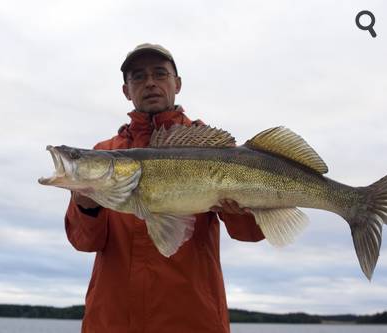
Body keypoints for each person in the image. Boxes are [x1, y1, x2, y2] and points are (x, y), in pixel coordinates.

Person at [64, 43, 265, 333]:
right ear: (126, 90)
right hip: (111, 322)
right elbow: (85, 242)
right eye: (138, 77)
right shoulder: (104, 154)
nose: (150, 83)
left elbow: (251, 233)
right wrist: (86, 206)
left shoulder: (210, 149)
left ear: (177, 83)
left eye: (160, 74)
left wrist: (238, 211)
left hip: (193, 321)